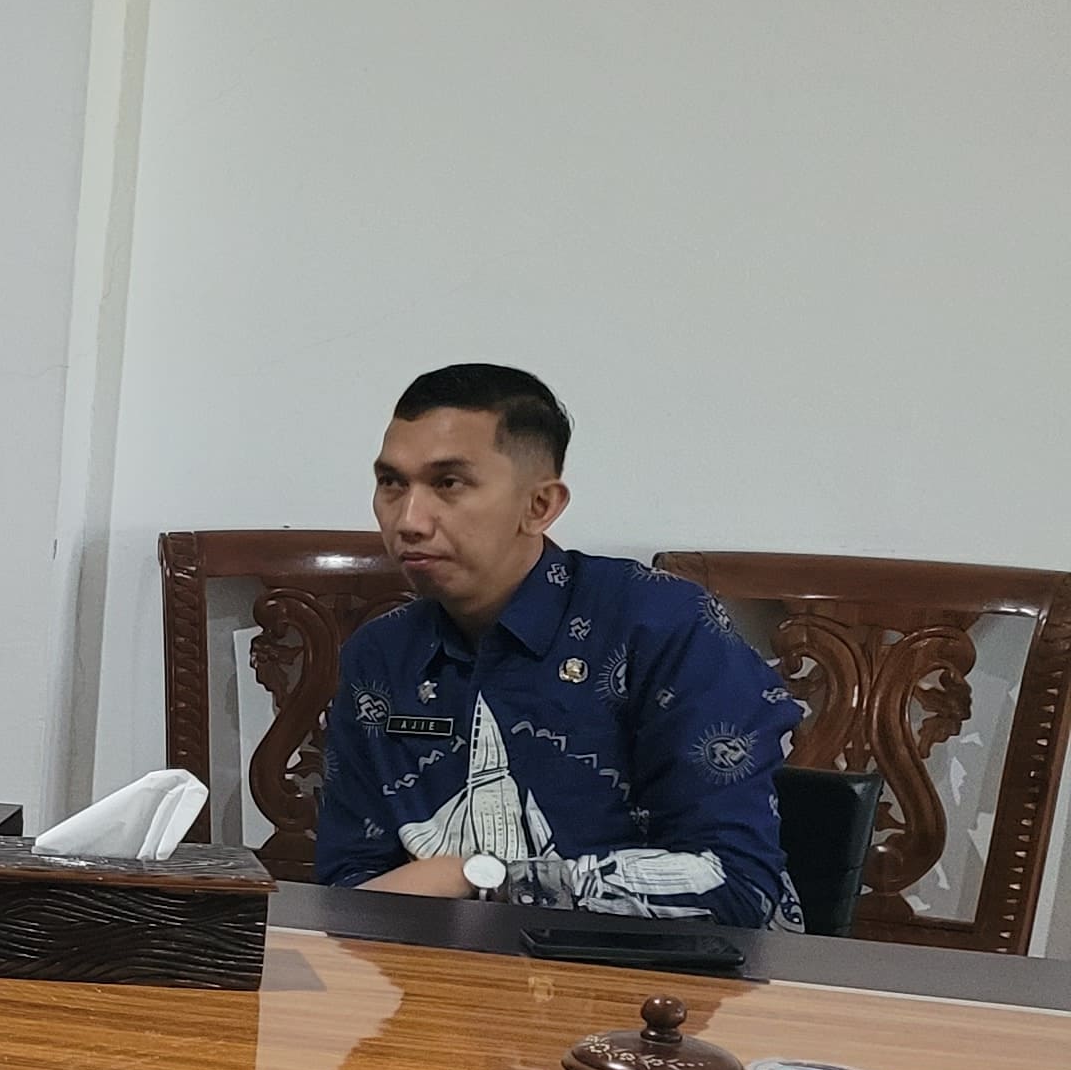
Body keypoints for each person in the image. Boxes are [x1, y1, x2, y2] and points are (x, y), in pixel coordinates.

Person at [317, 366, 803, 926]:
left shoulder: (661, 626)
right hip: (440, 970)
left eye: (448, 484)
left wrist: (483, 880)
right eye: (391, 484)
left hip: (651, 974)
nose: (409, 520)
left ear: (540, 506)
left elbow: (736, 885)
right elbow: (349, 879)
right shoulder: (381, 655)